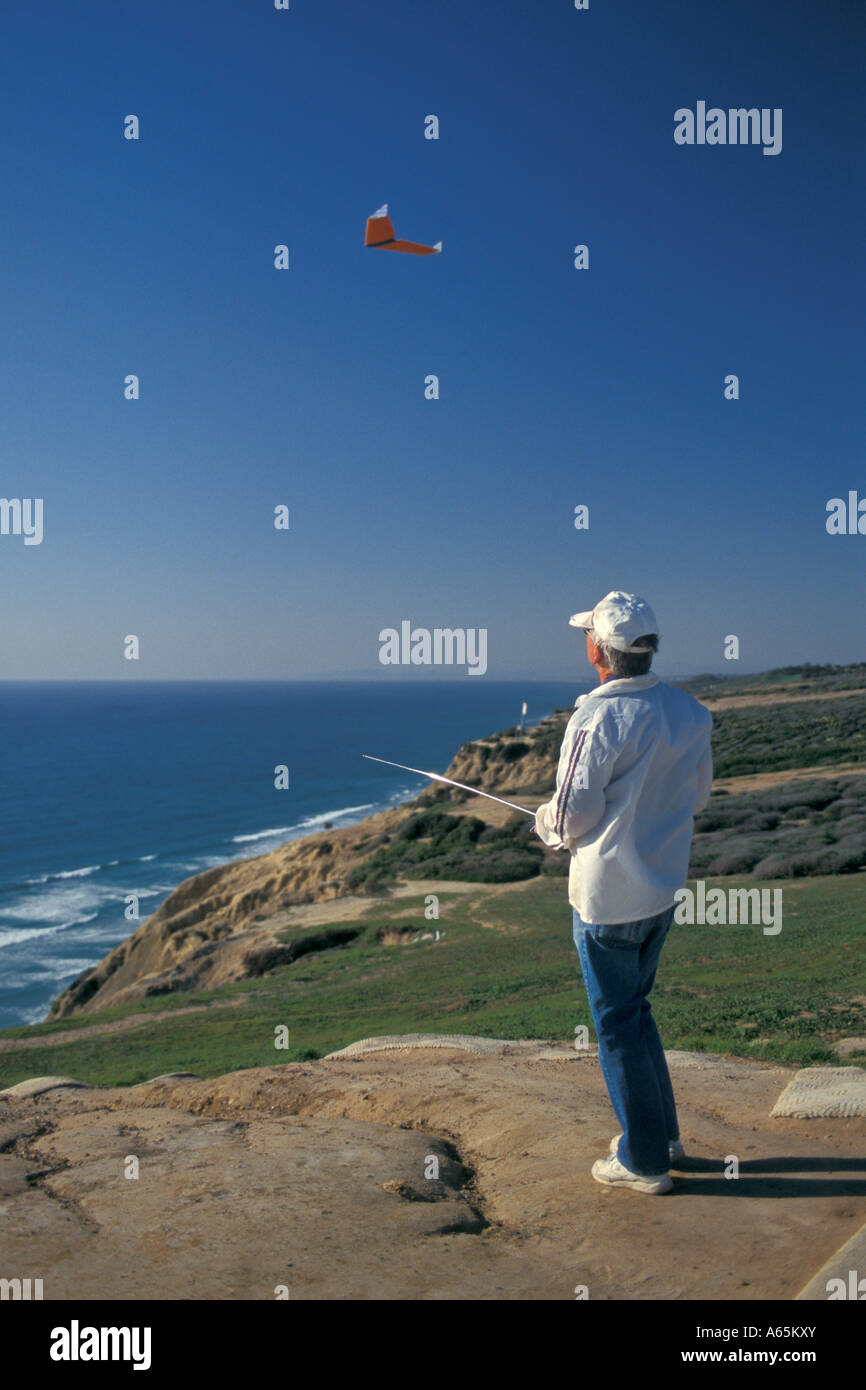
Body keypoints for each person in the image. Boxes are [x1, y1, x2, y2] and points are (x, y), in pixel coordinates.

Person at [533, 591, 713, 1195]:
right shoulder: (689, 711)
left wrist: (545, 824)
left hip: (608, 899)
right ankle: (660, 1138)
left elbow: (573, 814)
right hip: (662, 890)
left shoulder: (595, 718)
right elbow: (698, 795)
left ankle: (644, 1163)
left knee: (615, 1023)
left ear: (597, 650)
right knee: (637, 1013)